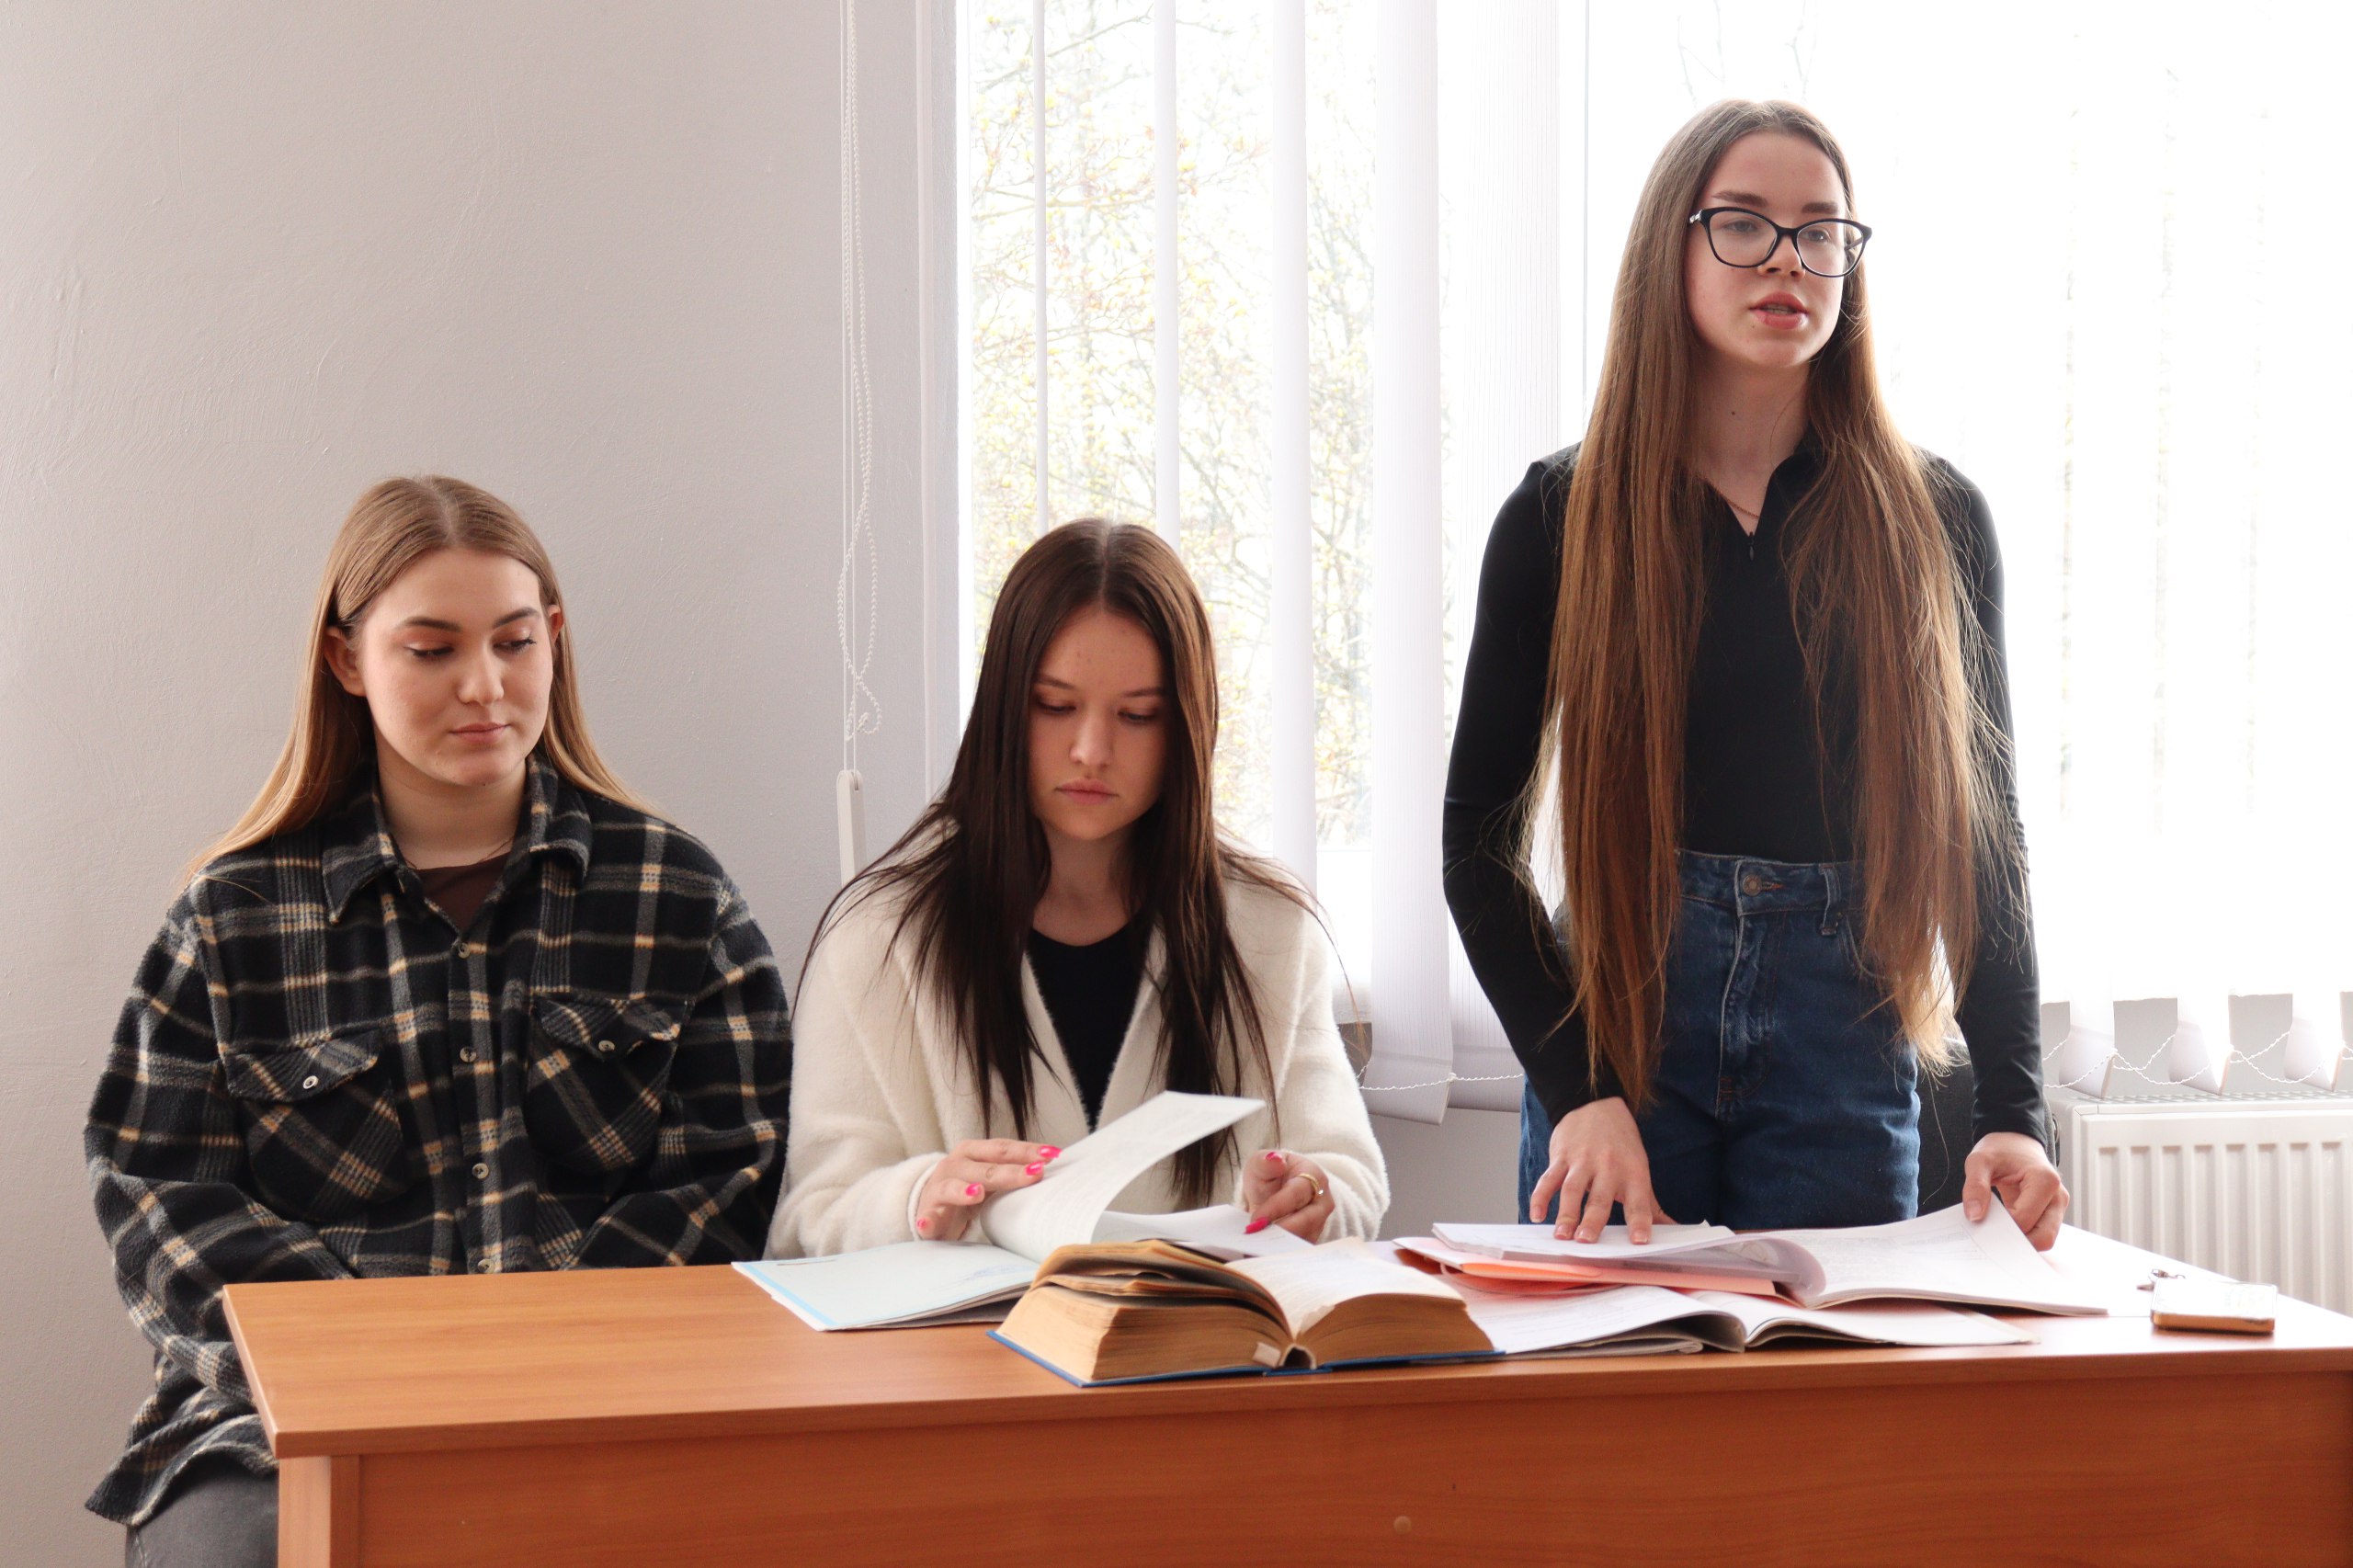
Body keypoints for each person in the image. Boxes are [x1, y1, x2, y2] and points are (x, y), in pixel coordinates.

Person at [87, 477, 791, 1565]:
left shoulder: (676, 894)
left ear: (553, 636)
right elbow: (156, 1192)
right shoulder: (230, 917)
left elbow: (731, 1170)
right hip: (281, 1424)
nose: (485, 686)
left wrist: (548, 1359)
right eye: (431, 649)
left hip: (616, 1401)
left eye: (515, 642)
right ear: (345, 659)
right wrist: (369, 1363)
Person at [1443, 99, 2068, 1249]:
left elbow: (1984, 841)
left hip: (1846, 1039)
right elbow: (1474, 842)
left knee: (1824, 1366)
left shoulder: (1936, 518)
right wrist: (1578, 1089)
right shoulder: (1559, 516)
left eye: (1820, 231)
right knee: (1616, 1361)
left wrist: (2014, 1111)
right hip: (1623, 1028)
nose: (1788, 258)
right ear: (1670, 247)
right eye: (1742, 223)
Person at [768, 518, 1384, 1257]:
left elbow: (1348, 1178)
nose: (1092, 750)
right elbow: (809, 1223)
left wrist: (1310, 1196)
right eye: (1055, 706)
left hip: (1200, 1331)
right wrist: (917, 1198)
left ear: (1186, 728)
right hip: (975, 1336)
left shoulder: (1269, 928)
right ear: (1003, 708)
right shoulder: (878, 936)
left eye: (1138, 716)